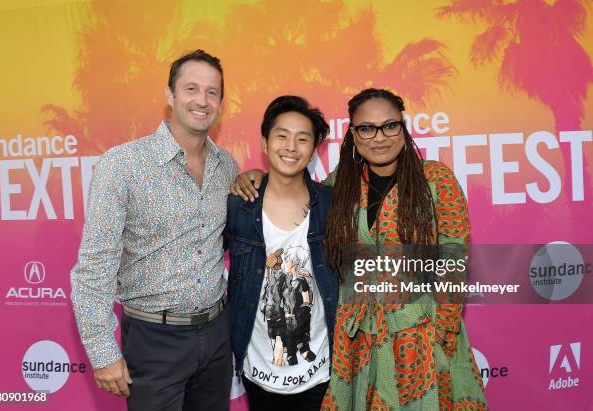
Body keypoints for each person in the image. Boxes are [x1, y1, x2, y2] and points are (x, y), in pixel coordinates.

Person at [232, 88, 488, 410]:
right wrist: (258, 178)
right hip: (359, 346)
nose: (379, 137)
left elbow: (454, 260)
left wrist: (440, 332)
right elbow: (295, 189)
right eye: (367, 128)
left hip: (423, 342)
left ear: (403, 128)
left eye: (389, 126)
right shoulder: (342, 185)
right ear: (353, 133)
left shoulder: (436, 181)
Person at [71, 49, 239, 411]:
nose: (202, 100)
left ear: (221, 102)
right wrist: (102, 352)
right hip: (152, 340)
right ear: (170, 95)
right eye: (191, 88)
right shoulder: (123, 165)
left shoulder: (227, 166)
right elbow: (94, 267)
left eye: (212, 92)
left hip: (216, 334)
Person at [224, 96, 339, 410]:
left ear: (314, 148)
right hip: (257, 373)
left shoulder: (332, 205)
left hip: (321, 375)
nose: (291, 146)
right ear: (264, 142)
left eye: (303, 139)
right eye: (282, 136)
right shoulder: (238, 205)